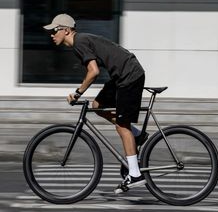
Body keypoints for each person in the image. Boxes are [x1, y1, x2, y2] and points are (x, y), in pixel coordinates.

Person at [43, 13, 148, 193]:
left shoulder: (79, 42)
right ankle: (136, 135)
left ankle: (135, 174)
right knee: (97, 106)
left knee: (122, 126)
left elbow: (93, 72)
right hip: (121, 74)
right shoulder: (81, 41)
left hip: (129, 74)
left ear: (66, 30)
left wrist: (77, 93)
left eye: (54, 30)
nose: (52, 35)